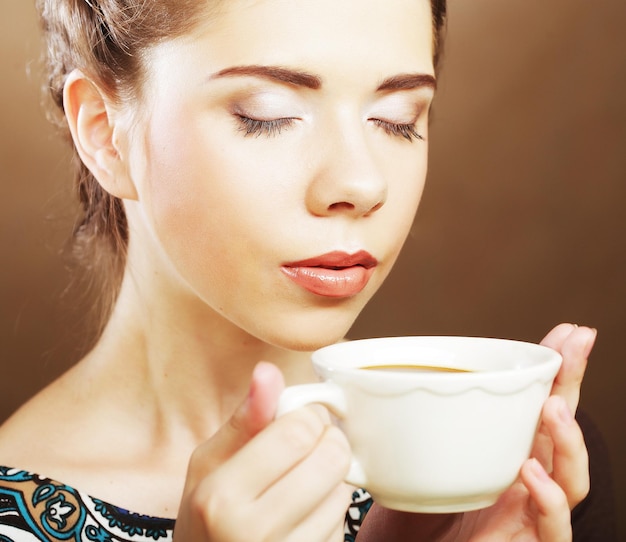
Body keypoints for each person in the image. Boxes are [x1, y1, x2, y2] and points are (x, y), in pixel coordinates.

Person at [0, 0, 598, 540]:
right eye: (269, 114)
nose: (362, 184)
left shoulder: (521, 472)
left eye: (397, 118)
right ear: (105, 132)